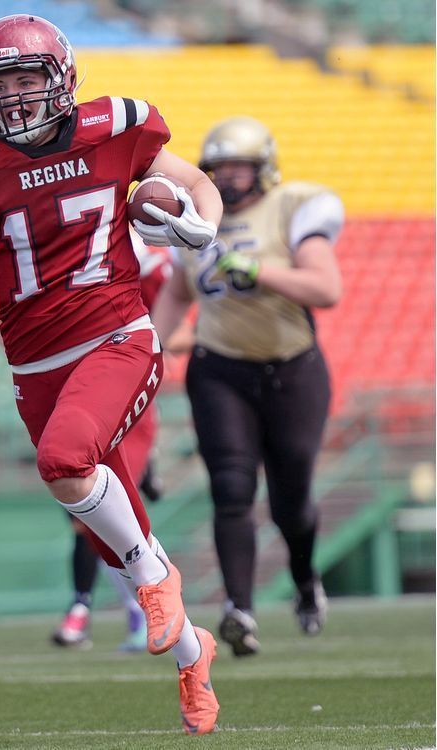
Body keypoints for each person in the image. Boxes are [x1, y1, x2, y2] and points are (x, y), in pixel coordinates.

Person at [0, 14, 223, 734]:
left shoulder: (117, 125)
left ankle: (155, 576)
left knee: (65, 462)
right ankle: (190, 655)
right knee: (99, 531)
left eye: (27, 79)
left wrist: (203, 226)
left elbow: (195, 183)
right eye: (0, 83)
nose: (14, 97)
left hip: (117, 334)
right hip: (33, 364)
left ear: (62, 79)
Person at [151, 115, 343, 657]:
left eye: (241, 167)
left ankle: (306, 582)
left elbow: (326, 287)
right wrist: (149, 347)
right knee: (231, 489)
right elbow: (176, 294)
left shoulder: (290, 207)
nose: (230, 178)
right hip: (220, 368)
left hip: (293, 368)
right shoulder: (197, 220)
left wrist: (259, 271)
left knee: (291, 499)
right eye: (221, 168)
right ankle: (239, 609)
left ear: (264, 169)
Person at [52, 235, 172, 653]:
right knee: (83, 511)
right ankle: (114, 606)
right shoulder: (67, 256)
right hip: (75, 387)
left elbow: (174, 327)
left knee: (102, 514)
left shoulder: (151, 265)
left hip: (117, 383)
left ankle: (137, 606)